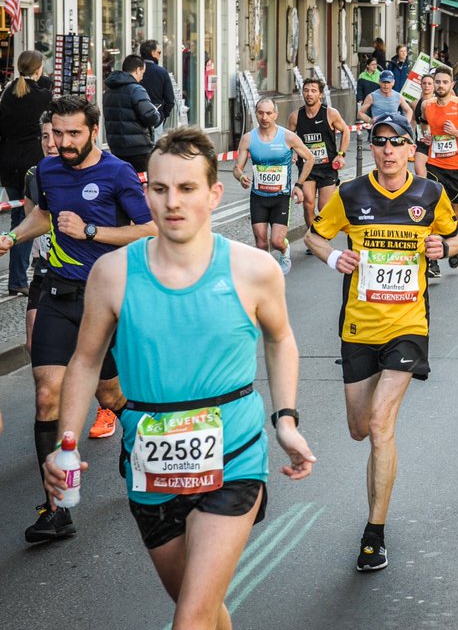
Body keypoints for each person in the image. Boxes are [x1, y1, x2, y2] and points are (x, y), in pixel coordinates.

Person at [42, 127, 316, 627]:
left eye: (187, 188)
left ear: (214, 193)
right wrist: (67, 442)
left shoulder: (253, 270)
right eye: (161, 188)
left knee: (189, 619)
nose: (173, 202)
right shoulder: (113, 272)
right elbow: (84, 361)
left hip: (232, 459)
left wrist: (286, 420)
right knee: (203, 610)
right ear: (146, 192)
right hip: (149, 468)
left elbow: (280, 339)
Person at [305, 113, 458, 571]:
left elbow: (454, 240)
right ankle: (376, 512)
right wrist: (335, 256)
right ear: (371, 149)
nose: (388, 150)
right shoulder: (351, 195)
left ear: (412, 149)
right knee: (358, 428)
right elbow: (315, 237)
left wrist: (443, 250)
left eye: (398, 143)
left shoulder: (431, 194)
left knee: (378, 424)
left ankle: (375, 532)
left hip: (408, 324)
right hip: (358, 327)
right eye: (380, 143)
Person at [0, 95, 156, 542]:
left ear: (93, 131)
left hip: (103, 301)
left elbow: (148, 229)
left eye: (74, 134)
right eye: (58, 133)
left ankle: (134, 445)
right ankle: (57, 506)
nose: (64, 143)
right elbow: (44, 216)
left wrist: (90, 231)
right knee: (47, 394)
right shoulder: (47, 170)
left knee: (111, 395)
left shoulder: (118, 173)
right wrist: (12, 236)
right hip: (57, 294)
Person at [232, 98, 314, 276]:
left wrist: (299, 185)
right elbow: (237, 168)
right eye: (261, 113)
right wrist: (241, 177)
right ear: (256, 114)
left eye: (269, 113)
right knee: (261, 243)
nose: (264, 117)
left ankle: (284, 252)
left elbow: (310, 159)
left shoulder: (287, 137)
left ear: (275, 114)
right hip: (258, 197)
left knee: (276, 241)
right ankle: (267, 274)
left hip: (281, 197)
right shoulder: (248, 138)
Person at [0, 50, 53, 296]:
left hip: (9, 161)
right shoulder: (43, 97)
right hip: (32, 163)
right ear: (38, 69)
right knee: (30, 217)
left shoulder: (6, 96)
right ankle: (20, 277)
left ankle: (20, 274)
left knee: (17, 216)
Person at [421, 65, 458, 274]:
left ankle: (454, 243)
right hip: (434, 165)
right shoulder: (426, 105)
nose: (440, 85)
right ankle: (433, 260)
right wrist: (427, 136)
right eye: (437, 81)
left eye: (444, 82)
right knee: (434, 209)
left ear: (451, 85)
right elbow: (424, 126)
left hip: (457, 167)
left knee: (453, 209)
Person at [289, 78, 352, 234]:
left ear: (321, 95)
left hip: (327, 167)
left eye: (313, 91)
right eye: (306, 90)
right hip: (307, 168)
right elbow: (289, 138)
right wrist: (292, 153)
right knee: (308, 203)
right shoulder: (295, 116)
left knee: (323, 207)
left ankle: (321, 234)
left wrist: (341, 155)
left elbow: (346, 131)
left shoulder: (330, 113)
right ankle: (313, 236)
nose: (309, 94)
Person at [23, 112, 56, 353]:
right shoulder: (33, 175)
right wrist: (12, 237)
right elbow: (32, 220)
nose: (50, 143)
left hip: (79, 276)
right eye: (45, 136)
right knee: (33, 343)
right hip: (43, 267)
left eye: (55, 135)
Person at [102, 54, 161, 175]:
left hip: (116, 147)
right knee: (141, 185)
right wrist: (156, 112)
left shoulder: (109, 91)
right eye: (142, 72)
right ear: (138, 69)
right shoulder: (136, 89)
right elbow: (150, 117)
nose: (142, 76)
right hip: (138, 149)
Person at [138, 40, 175, 138]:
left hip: (136, 120)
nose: (160, 55)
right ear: (152, 53)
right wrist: (162, 115)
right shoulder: (161, 72)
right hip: (156, 119)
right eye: (159, 52)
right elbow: (170, 100)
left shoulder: (134, 70)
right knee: (154, 150)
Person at [412, 73, 436, 179]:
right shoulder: (415, 103)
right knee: (420, 174)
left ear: (434, 86)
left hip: (435, 143)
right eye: (424, 83)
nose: (426, 86)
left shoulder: (438, 103)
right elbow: (413, 121)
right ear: (420, 85)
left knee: (434, 176)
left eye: (429, 83)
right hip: (421, 143)